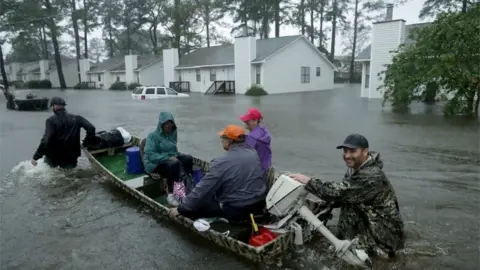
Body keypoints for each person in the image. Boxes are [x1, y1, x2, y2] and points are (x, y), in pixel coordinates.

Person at [290, 134, 405, 258]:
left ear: (365, 152)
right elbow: (345, 197)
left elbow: (340, 192)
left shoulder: (371, 175)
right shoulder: (355, 168)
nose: (347, 155)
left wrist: (308, 181)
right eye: (345, 151)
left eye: (352, 151)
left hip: (382, 239)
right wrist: (324, 206)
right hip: (367, 226)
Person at [169, 125, 267, 221]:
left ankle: (177, 197)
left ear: (230, 141)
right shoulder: (253, 153)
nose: (221, 140)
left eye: (222, 138)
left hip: (237, 209)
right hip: (259, 203)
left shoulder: (222, 162)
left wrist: (182, 209)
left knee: (194, 205)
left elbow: (204, 189)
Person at [143, 111, 193, 207]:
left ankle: (185, 186)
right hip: (154, 164)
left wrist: (175, 156)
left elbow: (174, 150)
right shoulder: (152, 136)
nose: (168, 126)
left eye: (170, 123)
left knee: (188, 159)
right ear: (161, 124)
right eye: (165, 124)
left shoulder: (173, 133)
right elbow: (150, 155)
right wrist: (167, 158)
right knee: (173, 164)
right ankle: (172, 194)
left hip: (171, 158)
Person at [31, 97, 96, 169]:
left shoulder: (51, 120)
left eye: (52, 107)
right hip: (72, 157)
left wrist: (35, 157)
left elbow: (47, 140)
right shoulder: (77, 118)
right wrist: (86, 142)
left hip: (54, 158)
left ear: (55, 106)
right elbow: (91, 128)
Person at [239, 108, 272, 175]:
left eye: (248, 120)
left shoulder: (252, 138)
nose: (245, 122)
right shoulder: (263, 131)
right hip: (266, 167)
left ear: (255, 121)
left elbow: (246, 157)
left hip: (256, 172)